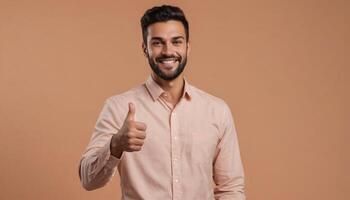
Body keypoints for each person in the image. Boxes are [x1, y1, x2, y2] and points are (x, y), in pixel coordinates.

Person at [79, 5, 245, 200]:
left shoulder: (217, 111)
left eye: (176, 41)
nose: (168, 51)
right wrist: (115, 145)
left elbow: (231, 188)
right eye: (158, 43)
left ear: (187, 47)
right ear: (145, 48)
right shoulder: (118, 108)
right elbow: (88, 180)